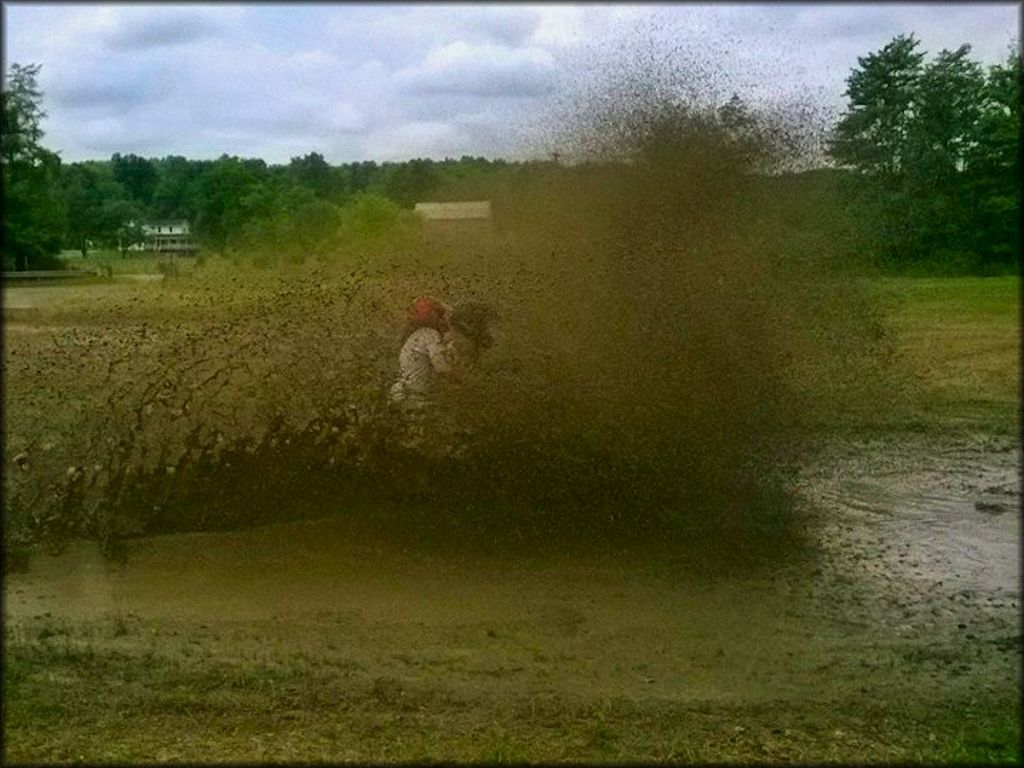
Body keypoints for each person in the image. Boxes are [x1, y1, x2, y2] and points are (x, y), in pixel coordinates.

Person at [388, 295, 453, 408]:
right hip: (418, 400)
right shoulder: (430, 335)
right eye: (440, 316)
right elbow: (442, 367)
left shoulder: (415, 336)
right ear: (434, 316)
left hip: (403, 394)